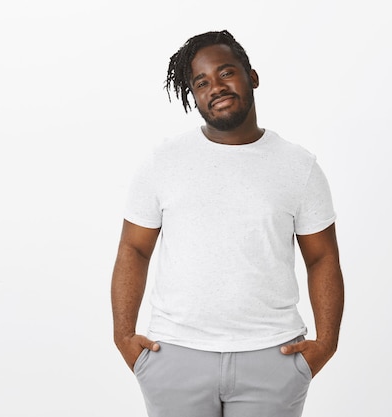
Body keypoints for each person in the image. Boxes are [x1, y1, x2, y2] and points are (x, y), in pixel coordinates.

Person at [110, 30, 344, 417]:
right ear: (193, 96)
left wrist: (327, 343)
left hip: (273, 356)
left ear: (251, 76)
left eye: (225, 73)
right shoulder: (164, 162)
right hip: (175, 356)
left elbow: (322, 258)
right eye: (201, 82)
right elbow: (133, 249)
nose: (215, 87)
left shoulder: (299, 167)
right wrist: (123, 337)